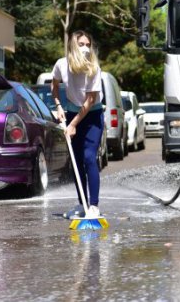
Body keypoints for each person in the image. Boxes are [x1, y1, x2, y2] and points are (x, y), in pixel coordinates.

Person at [52, 30, 104, 218]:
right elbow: (55, 85)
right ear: (73, 46)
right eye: (81, 45)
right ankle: (82, 204)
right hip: (73, 112)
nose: (85, 49)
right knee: (76, 162)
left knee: (89, 157)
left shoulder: (94, 68)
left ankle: (94, 206)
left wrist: (73, 124)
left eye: (88, 45)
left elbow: (90, 101)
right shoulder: (61, 64)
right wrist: (58, 106)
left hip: (93, 115)